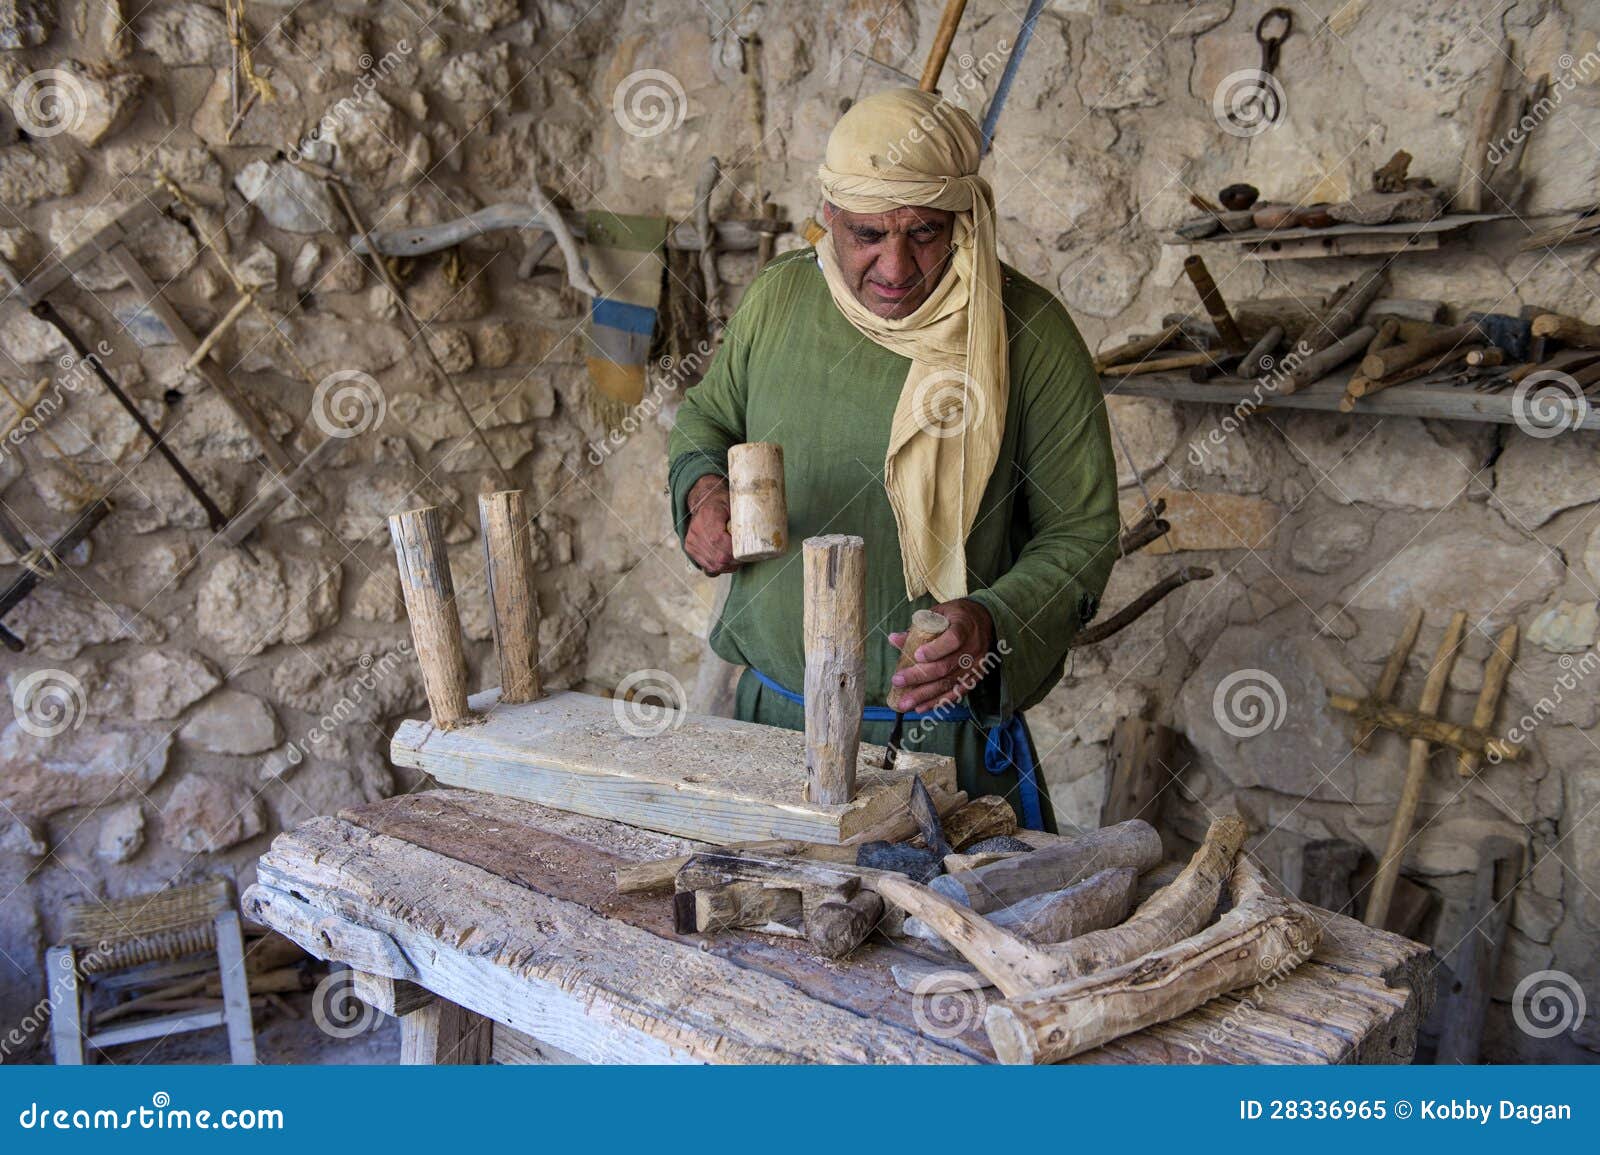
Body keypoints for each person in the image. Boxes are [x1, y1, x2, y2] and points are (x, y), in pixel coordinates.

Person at [667, 87, 1119, 830]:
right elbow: (706, 418)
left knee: (945, 942)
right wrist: (700, 492)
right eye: (868, 234)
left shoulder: (1028, 335)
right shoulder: (779, 299)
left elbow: (1084, 533)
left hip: (941, 755)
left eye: (927, 233)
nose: (895, 265)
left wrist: (989, 619)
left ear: (965, 220)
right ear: (831, 217)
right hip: (765, 732)